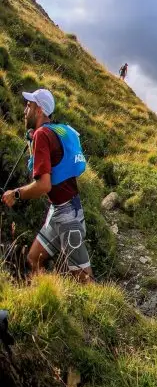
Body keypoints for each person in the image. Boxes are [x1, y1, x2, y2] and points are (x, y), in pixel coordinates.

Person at [2, 89, 92, 282]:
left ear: (39, 110)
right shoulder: (52, 131)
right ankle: (46, 295)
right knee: (33, 258)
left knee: (85, 280)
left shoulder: (42, 135)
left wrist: (15, 194)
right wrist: (32, 143)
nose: (25, 110)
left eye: (29, 106)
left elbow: (44, 185)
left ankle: (104, 300)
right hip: (61, 209)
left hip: (67, 217)